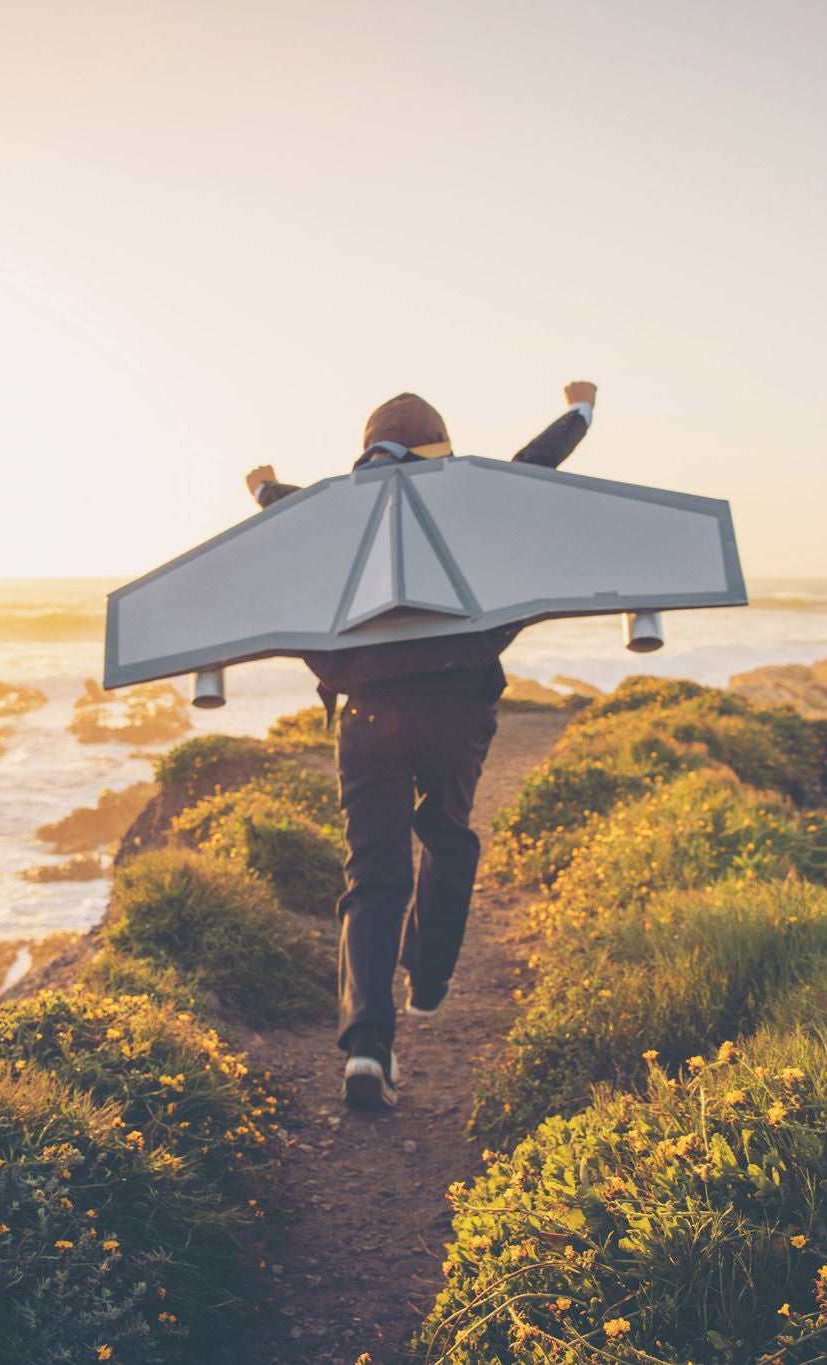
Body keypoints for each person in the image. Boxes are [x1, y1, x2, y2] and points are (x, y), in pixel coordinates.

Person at [243, 381, 597, 1110]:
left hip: (369, 711)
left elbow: (293, 511)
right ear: (440, 452)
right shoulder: (463, 501)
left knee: (372, 872)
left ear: (368, 452)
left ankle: (369, 1048)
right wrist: (580, 412)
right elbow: (532, 470)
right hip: (456, 705)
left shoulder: (344, 515)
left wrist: (264, 489)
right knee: (447, 836)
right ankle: (429, 975)